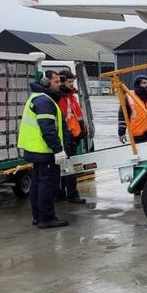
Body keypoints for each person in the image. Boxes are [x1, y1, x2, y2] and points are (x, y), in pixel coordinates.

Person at [18, 70, 69, 228]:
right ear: (46, 82)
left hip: (35, 150)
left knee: (37, 184)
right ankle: (46, 218)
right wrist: (58, 149)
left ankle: (38, 216)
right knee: (47, 185)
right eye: (56, 82)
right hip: (43, 150)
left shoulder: (36, 98)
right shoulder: (44, 101)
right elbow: (48, 129)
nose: (59, 84)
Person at [58, 70, 86, 204]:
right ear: (62, 81)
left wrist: (82, 131)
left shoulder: (70, 97)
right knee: (68, 167)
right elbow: (63, 119)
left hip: (72, 136)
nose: (71, 84)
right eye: (69, 82)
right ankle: (70, 194)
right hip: (66, 137)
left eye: (72, 81)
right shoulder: (61, 98)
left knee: (68, 167)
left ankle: (65, 193)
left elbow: (77, 116)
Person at [118, 74, 147, 144]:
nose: (146, 85)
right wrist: (121, 133)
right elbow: (123, 117)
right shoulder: (129, 97)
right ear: (138, 84)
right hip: (137, 133)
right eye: (143, 83)